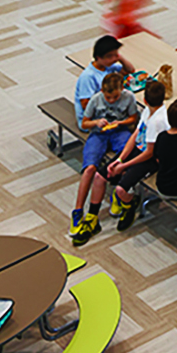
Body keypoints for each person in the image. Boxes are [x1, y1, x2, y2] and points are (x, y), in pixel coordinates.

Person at [73, 67, 142, 240]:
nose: (111, 100)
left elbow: (134, 118)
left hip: (120, 131)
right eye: (108, 97)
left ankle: (120, 196)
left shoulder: (128, 97)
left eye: (115, 97)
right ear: (102, 91)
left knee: (126, 159)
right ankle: (79, 210)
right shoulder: (96, 99)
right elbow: (84, 123)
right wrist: (96, 122)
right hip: (99, 133)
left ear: (122, 90)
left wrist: (121, 122)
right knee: (89, 169)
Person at [105, 76, 170, 222]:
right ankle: (123, 196)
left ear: (145, 99)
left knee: (120, 189)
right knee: (110, 171)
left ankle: (130, 205)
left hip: (151, 159)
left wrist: (124, 166)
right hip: (140, 149)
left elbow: (149, 152)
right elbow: (136, 134)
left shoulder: (158, 122)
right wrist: (120, 159)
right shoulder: (147, 111)